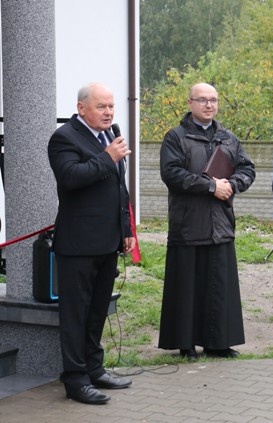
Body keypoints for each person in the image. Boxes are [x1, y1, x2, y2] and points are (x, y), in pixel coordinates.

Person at [48, 83, 135, 405]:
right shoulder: (64, 138)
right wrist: (107, 157)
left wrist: (126, 229)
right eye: (101, 106)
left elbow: (119, 187)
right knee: (76, 315)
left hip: (108, 241)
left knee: (98, 312)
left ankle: (95, 369)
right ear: (82, 107)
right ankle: (75, 379)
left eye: (111, 106)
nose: (109, 112)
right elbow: (70, 178)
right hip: (78, 244)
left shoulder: (110, 134)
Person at [158, 83, 256, 359]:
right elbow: (173, 174)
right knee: (187, 287)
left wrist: (232, 185)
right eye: (202, 100)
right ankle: (186, 343)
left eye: (213, 100)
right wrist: (211, 186)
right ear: (190, 103)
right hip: (189, 224)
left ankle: (218, 342)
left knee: (219, 288)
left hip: (220, 224)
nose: (209, 105)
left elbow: (247, 168)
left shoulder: (228, 137)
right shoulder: (175, 137)